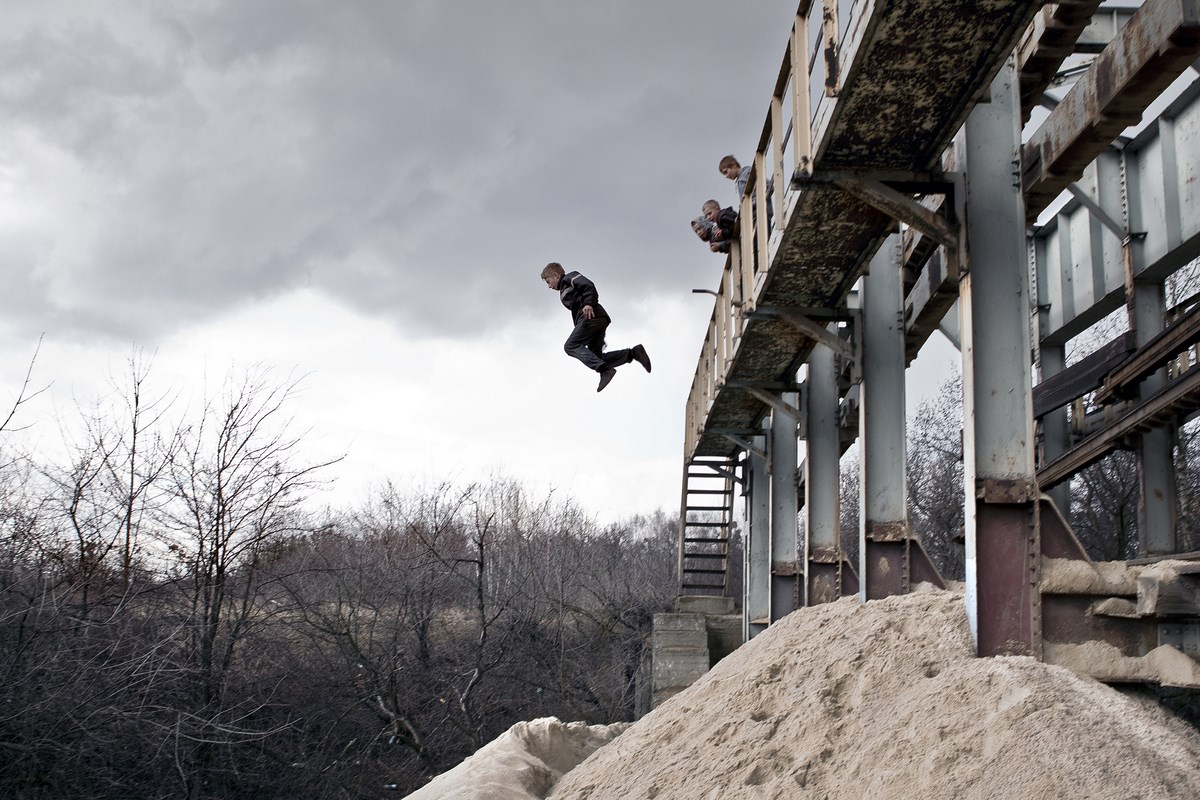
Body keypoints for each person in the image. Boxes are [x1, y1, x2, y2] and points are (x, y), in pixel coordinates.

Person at [540, 262, 651, 392]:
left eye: (548, 281)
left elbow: (588, 285)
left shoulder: (570, 277)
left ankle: (604, 370)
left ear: (556, 275)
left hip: (591, 316)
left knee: (570, 346)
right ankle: (634, 353)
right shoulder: (563, 291)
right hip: (594, 321)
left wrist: (588, 303)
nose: (549, 286)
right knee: (596, 357)